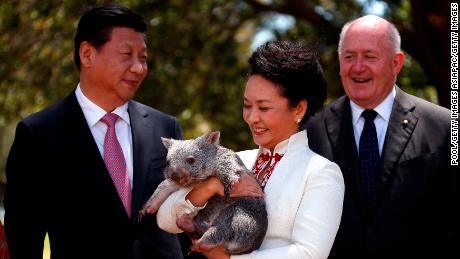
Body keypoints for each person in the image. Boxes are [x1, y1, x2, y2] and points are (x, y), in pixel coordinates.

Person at [3, 5, 185, 259]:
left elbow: (189, 224)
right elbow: (23, 240)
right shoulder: (39, 135)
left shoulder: (165, 127)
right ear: (87, 54)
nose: (139, 68)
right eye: (127, 54)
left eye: (143, 57)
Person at [156, 40, 345, 259]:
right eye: (247, 106)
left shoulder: (320, 172)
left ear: (299, 109)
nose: (252, 118)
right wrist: (212, 187)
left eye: (264, 107)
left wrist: (226, 258)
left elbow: (309, 253)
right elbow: (166, 221)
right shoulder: (236, 160)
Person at [306, 15, 458, 259]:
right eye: (349, 57)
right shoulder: (310, 131)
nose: (357, 67)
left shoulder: (446, 128)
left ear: (396, 63)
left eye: (370, 56)